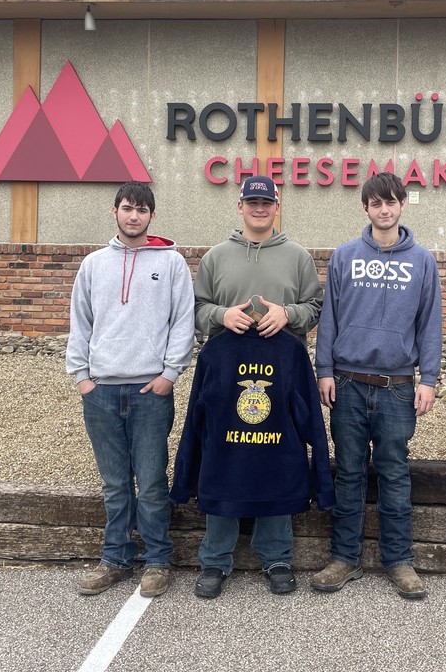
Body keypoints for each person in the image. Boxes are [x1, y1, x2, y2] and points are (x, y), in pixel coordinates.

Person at [189, 174, 324, 598]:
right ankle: (215, 559)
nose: (260, 208)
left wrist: (289, 314)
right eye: (253, 202)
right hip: (227, 378)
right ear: (240, 206)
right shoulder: (216, 257)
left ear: (276, 206)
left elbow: (315, 306)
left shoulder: (298, 257)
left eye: (267, 202)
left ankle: (277, 556)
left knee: (278, 458)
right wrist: (221, 315)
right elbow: (197, 308)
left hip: (280, 376)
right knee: (221, 457)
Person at [311, 172, 443, 600]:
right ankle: (344, 558)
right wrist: (324, 369)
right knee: (348, 473)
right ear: (365, 208)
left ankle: (399, 560)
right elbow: (329, 316)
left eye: (391, 202)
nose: (384, 210)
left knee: (394, 474)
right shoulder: (344, 256)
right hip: (347, 383)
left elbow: (430, 323)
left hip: (397, 386)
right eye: (376, 203)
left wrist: (429, 378)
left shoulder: (422, 261)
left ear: (402, 204)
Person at [65, 181, 195, 598]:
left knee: (152, 482)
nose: (133, 216)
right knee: (115, 483)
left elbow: (183, 321)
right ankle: (115, 560)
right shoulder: (94, 264)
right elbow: (80, 322)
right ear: (115, 212)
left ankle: (157, 561)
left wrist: (169, 374)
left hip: (149, 392)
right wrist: (82, 378)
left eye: (141, 210)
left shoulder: (171, 263)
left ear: (152, 216)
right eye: (127, 208)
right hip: (101, 391)